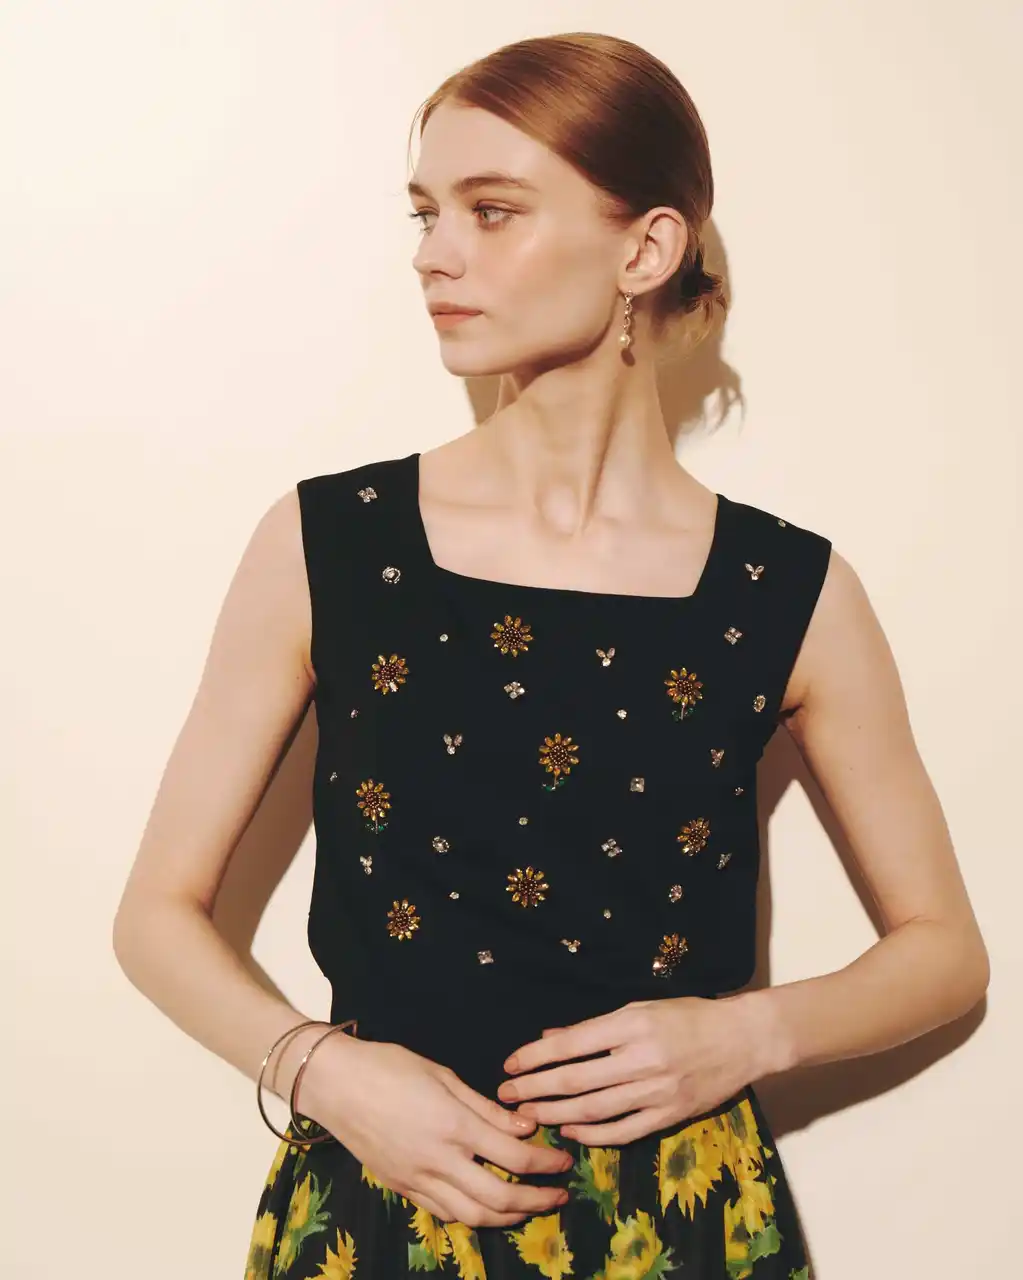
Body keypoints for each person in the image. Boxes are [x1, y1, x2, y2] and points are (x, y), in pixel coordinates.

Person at [112, 31, 989, 1280]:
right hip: (382, 1205)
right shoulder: (331, 544)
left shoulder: (787, 591)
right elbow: (154, 914)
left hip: (680, 1220)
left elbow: (944, 948)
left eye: (493, 210)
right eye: (425, 212)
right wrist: (324, 1071)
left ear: (646, 248)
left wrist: (746, 1036)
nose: (433, 253)